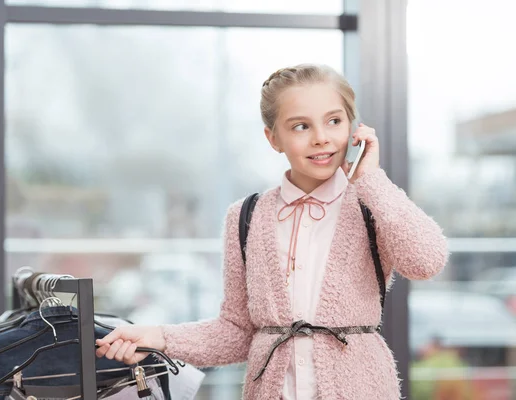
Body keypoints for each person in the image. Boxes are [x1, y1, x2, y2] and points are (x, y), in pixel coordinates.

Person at [96, 64, 449, 399]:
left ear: (353, 129)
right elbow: (235, 333)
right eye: (300, 126)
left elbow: (426, 261)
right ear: (273, 138)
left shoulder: (373, 203)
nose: (321, 138)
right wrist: (156, 336)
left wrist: (371, 179)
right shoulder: (245, 216)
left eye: (334, 121)